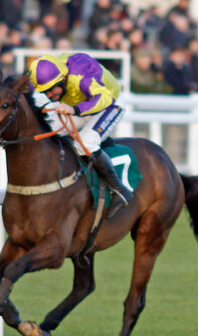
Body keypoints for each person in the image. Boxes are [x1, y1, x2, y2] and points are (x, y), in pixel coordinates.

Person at [28, 53, 134, 217]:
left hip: (109, 104)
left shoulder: (81, 73)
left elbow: (103, 98)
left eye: (50, 90)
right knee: (48, 130)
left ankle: (119, 190)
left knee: (85, 142)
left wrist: (75, 110)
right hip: (81, 105)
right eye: (45, 91)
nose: (49, 95)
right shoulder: (51, 70)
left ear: (62, 79)